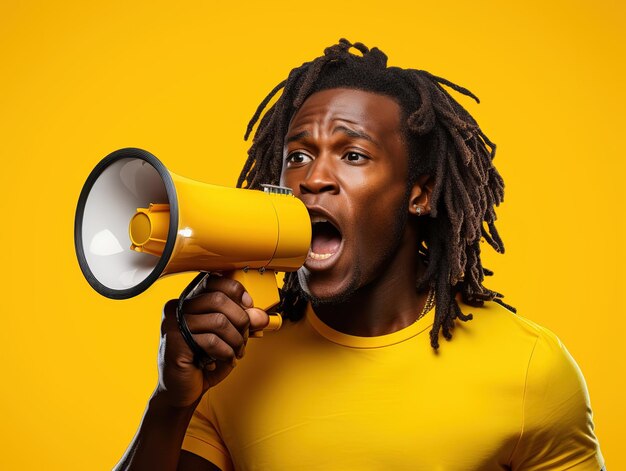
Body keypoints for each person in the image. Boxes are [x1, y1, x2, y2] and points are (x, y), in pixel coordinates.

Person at [115, 39, 605, 470]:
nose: (313, 179)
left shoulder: (529, 370)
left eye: (353, 155)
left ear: (421, 194)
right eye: (298, 156)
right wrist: (171, 402)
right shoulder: (234, 362)